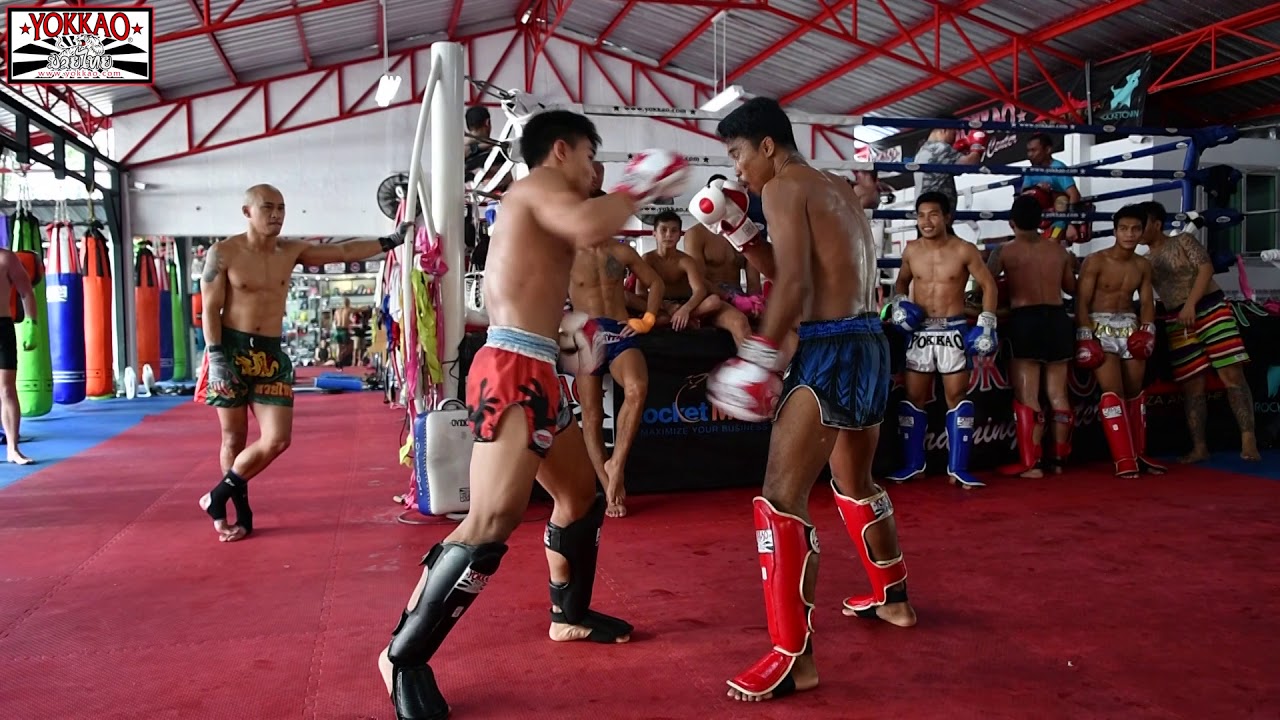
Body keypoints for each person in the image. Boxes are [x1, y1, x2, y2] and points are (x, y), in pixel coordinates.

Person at [376, 110, 689, 719]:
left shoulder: (538, 209)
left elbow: (531, 282)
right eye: (594, 158)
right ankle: (401, 657)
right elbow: (587, 218)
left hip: (538, 364)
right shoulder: (540, 186)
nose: (599, 172)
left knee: (578, 497)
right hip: (513, 368)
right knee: (490, 522)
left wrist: (571, 328)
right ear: (563, 151)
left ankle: (567, 617)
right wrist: (641, 183)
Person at [692, 97, 915, 704]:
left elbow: (793, 285)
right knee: (854, 480)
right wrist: (737, 231)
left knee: (779, 499)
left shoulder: (786, 188)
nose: (737, 171)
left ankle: (793, 657)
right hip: (870, 339)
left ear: (767, 145)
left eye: (738, 155)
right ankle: (893, 598)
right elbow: (795, 269)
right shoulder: (835, 187)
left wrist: (760, 354)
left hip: (832, 345)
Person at [195, 184, 411, 542]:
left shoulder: (290, 250)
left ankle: (217, 497)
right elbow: (209, 309)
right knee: (234, 437)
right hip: (229, 350)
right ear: (247, 212)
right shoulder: (223, 253)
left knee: (278, 439)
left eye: (281, 207)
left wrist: (390, 241)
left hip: (270, 353)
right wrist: (216, 356)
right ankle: (238, 512)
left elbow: (341, 251)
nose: (277, 214)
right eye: (268, 207)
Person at [885, 191, 999, 489]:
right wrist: (898, 303)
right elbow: (901, 281)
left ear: (947, 216)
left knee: (957, 399)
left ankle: (957, 468)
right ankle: (914, 465)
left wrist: (986, 323)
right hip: (920, 333)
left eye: (933, 214)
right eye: (921, 215)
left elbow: (988, 285)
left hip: (953, 329)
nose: (926, 221)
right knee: (914, 399)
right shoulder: (911, 250)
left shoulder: (964, 250)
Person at [1139, 201, 1258, 462]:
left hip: (1210, 306)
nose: (1137, 229)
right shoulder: (1143, 261)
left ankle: (1249, 439)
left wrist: (1191, 304)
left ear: (1157, 224)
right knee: (1192, 386)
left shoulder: (1182, 240)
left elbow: (1206, 268)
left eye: (1141, 223)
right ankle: (1199, 446)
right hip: (1176, 319)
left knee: (1231, 375)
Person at [568, 237, 665, 518]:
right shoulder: (566, 252)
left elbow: (655, 283)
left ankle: (616, 465)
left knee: (637, 388)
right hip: (585, 333)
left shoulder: (621, 251)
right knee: (592, 415)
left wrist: (647, 319)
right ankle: (608, 487)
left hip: (619, 330)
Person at [985, 195, 1078, 476]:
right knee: (1058, 393)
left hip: (1025, 320)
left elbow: (983, 286)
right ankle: (1060, 460)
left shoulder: (1003, 251)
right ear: (1041, 222)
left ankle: (1032, 463)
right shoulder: (1059, 251)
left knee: (1028, 394)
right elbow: (1071, 287)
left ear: (1012, 222)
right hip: (1058, 318)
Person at [1074, 205, 1164, 476]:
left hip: (1130, 326)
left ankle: (1139, 454)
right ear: (1115, 231)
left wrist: (1148, 330)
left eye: (1135, 229)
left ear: (1143, 231)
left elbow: (1148, 302)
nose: (1129, 234)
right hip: (1100, 327)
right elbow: (1082, 301)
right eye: (1123, 228)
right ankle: (1123, 459)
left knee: (1135, 392)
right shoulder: (1096, 261)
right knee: (1113, 392)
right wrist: (1084, 333)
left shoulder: (1142, 265)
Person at [638, 210, 752, 346]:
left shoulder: (685, 261)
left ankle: (675, 318)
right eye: (663, 230)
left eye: (673, 231)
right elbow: (640, 293)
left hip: (689, 304)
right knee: (630, 299)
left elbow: (700, 290)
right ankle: (675, 317)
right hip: (660, 304)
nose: (668, 235)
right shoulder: (647, 259)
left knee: (714, 301)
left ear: (680, 235)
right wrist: (666, 306)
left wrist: (685, 310)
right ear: (654, 234)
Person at [682, 215, 764, 318]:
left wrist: (755, 302)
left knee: (777, 321)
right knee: (739, 323)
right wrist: (730, 298)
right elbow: (699, 280)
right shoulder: (696, 234)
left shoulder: (745, 232)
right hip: (711, 297)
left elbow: (754, 283)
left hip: (739, 296)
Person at [0, 247, 36, 465]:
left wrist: (32, 324)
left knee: (6, 389)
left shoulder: (6, 258)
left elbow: (26, 292)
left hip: (2, 327)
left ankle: (13, 448)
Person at [912, 123, 986, 210]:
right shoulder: (942, 148)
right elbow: (970, 164)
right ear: (944, 130)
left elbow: (952, 171)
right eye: (953, 134)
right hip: (937, 209)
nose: (954, 139)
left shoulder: (922, 151)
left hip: (923, 208)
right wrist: (977, 146)